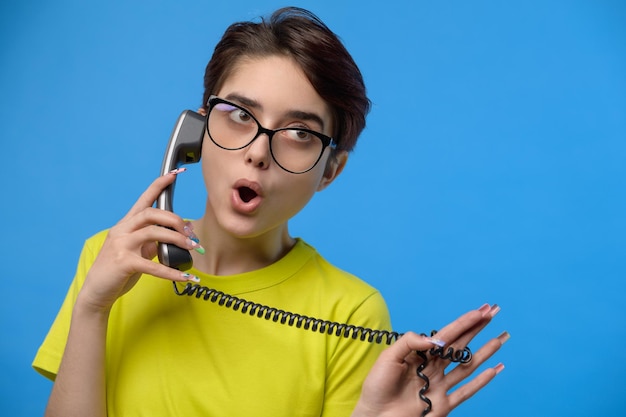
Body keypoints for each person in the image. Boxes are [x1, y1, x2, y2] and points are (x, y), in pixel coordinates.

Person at [33, 7, 507, 417]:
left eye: (300, 132)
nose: (258, 152)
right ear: (196, 130)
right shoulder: (110, 259)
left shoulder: (350, 310)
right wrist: (94, 308)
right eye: (239, 115)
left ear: (331, 171)